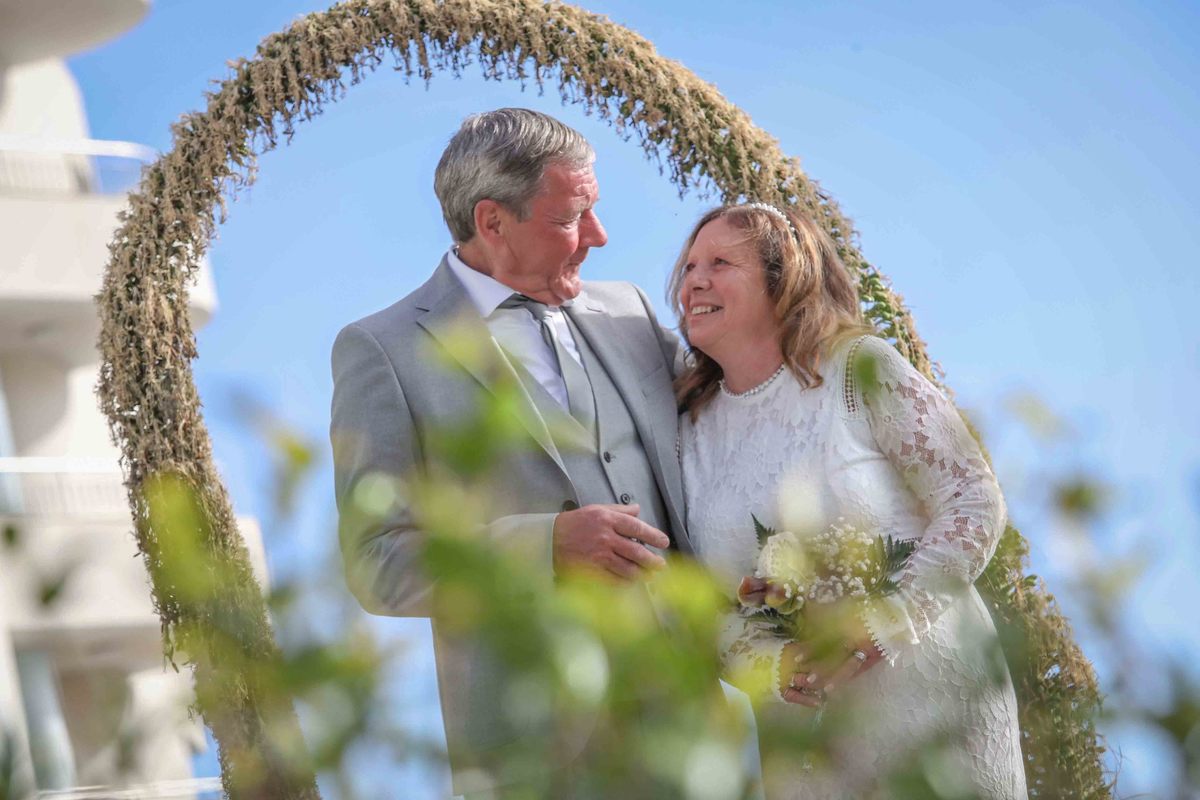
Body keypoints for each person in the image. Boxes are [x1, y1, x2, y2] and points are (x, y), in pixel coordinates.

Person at [329, 108, 688, 797]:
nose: (599, 236)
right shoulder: (383, 350)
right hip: (535, 752)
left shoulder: (632, 312)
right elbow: (376, 563)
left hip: (690, 726)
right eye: (571, 218)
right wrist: (543, 546)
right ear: (492, 222)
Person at [673, 203, 1028, 798]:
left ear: (784, 278)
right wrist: (770, 664)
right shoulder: (689, 428)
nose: (694, 283)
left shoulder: (858, 367)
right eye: (688, 268)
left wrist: (882, 624)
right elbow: (706, 602)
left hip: (932, 707)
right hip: (807, 747)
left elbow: (972, 500)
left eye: (720, 264)